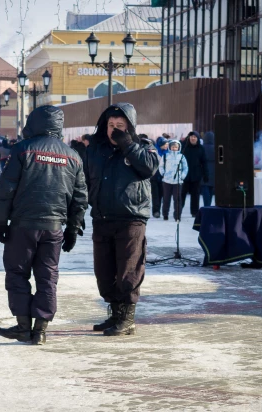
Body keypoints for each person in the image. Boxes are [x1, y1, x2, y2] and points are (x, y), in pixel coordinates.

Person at [0, 105, 88, 345]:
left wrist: (1, 220)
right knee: (47, 276)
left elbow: (7, 188)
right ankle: (41, 330)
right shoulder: (73, 155)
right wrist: (73, 229)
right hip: (54, 226)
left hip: (23, 225)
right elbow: (80, 198)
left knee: (17, 273)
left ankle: (24, 327)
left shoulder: (22, 150)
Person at [85, 103, 159, 336]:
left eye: (120, 125)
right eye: (111, 125)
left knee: (128, 270)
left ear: (130, 127)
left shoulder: (143, 147)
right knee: (104, 272)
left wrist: (127, 144)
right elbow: (85, 180)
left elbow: (150, 168)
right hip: (102, 217)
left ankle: (127, 319)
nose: (114, 129)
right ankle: (115, 314)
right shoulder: (96, 149)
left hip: (131, 218)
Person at [181, 131, 208, 217]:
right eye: (191, 137)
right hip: (184, 176)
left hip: (196, 175)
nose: (193, 138)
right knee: (182, 194)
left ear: (197, 138)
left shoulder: (201, 148)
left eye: (195, 137)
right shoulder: (184, 147)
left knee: (195, 195)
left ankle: (194, 212)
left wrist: (205, 174)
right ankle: (179, 210)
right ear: (189, 138)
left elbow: (204, 162)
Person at [161, 140, 189, 221]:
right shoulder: (165, 156)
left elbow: (185, 168)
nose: (174, 148)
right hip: (167, 181)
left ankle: (177, 216)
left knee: (177, 199)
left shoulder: (181, 157)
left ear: (178, 148)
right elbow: (161, 166)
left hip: (178, 181)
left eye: (176, 147)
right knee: (166, 199)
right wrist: (163, 174)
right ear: (170, 147)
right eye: (173, 147)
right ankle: (165, 214)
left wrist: (182, 176)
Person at [151, 135, 169, 218]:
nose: (166, 145)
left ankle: (162, 210)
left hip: (164, 177)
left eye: (167, 144)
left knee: (162, 195)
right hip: (154, 176)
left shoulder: (168, 153)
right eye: (165, 144)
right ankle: (156, 211)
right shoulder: (154, 152)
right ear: (160, 144)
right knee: (155, 195)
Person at [200, 131, 215, 207]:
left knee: (204, 187)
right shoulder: (216, 148)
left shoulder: (201, 148)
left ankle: (206, 205)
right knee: (211, 189)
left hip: (203, 170)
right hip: (213, 171)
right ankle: (209, 204)